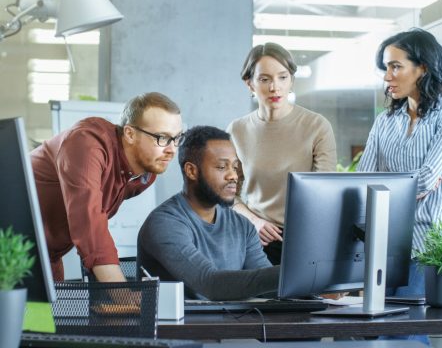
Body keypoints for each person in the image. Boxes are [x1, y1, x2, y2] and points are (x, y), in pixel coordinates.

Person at [357, 28, 442, 300]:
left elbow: (427, 178)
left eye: (396, 67)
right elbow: (362, 181)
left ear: (423, 68)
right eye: (386, 68)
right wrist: (409, 187)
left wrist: (385, 190)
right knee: (375, 332)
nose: (387, 77)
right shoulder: (385, 121)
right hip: (384, 244)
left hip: (428, 246)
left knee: (404, 333)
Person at [31, 92, 184, 282]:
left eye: (177, 138)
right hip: (9, 247)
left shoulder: (144, 176)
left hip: (46, 257)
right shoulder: (87, 144)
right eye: (162, 138)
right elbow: (90, 224)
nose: (172, 149)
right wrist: (123, 295)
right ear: (129, 134)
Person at [137, 126, 279, 300]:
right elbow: (210, 284)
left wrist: (309, 277)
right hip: (180, 327)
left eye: (235, 167)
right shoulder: (164, 223)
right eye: (221, 167)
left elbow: (269, 286)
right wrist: (291, 274)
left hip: (234, 324)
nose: (233, 176)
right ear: (191, 171)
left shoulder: (242, 226)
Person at [227, 42, 337, 265]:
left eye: (282, 77)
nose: (274, 87)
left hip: (306, 238)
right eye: (264, 79)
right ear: (249, 84)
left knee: (308, 300)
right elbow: (229, 195)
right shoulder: (236, 130)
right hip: (256, 238)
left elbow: (327, 192)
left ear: (291, 81)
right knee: (256, 300)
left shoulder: (317, 126)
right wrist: (254, 222)